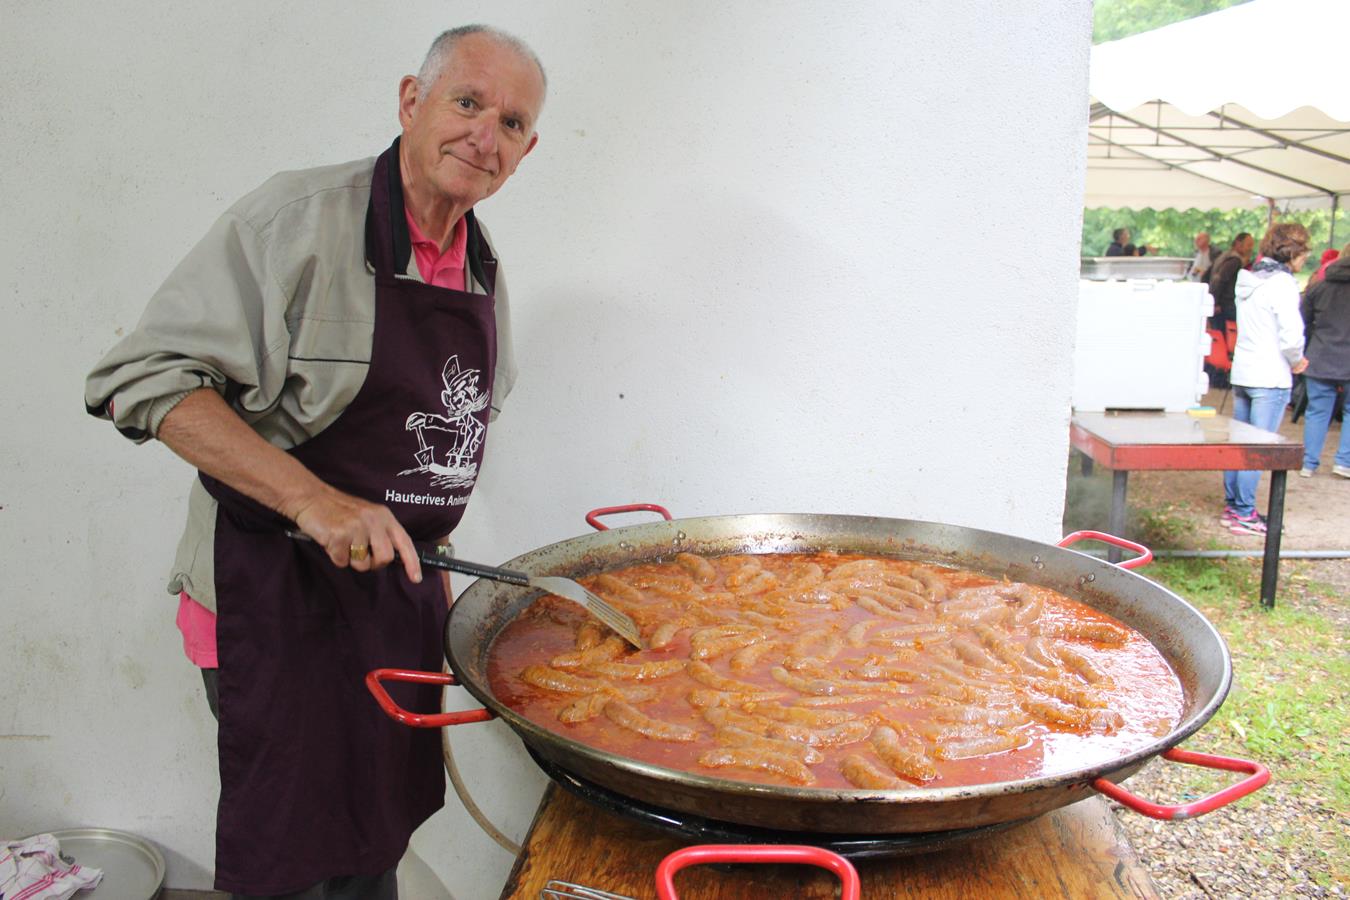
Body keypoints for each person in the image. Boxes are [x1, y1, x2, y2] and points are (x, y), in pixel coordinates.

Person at [83, 25, 546, 898]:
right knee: (290, 868)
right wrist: (315, 502)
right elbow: (137, 379)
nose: (486, 137)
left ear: (527, 150)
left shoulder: (483, 271)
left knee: (372, 853)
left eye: (513, 123)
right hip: (275, 611)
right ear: (412, 100)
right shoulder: (295, 222)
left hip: (392, 613)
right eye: (468, 103)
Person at [1221, 223, 1311, 535]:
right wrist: (1298, 361)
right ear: (1294, 252)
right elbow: (1290, 335)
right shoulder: (1283, 284)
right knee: (1257, 449)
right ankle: (1244, 512)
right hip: (1270, 375)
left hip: (1244, 371)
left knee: (1238, 444)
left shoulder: (1248, 278)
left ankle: (1233, 505)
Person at [1298, 251, 1350, 478]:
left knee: (1317, 411)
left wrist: (1311, 345)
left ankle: (1308, 463)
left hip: (1319, 356)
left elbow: (1303, 322)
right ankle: (1344, 462)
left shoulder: (1318, 287)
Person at [1206, 232, 1255, 329]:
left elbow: (1206, 276)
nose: (1250, 249)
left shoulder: (1223, 256)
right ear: (1238, 244)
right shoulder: (1234, 260)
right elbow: (1219, 280)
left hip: (1219, 304)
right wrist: (1216, 303)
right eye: (1248, 245)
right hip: (1225, 306)